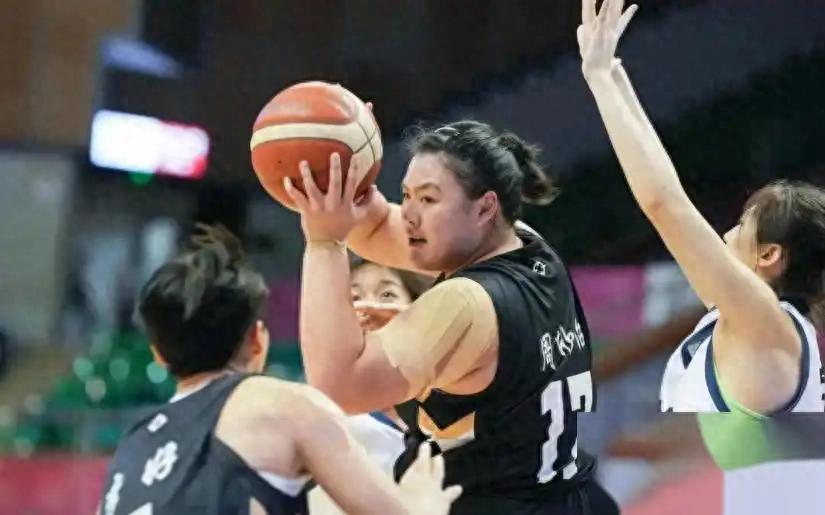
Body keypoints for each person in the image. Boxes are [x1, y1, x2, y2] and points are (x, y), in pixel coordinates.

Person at [284, 121, 619, 513]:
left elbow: (339, 388)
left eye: (428, 199)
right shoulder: (531, 247)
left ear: (485, 207)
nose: (409, 215)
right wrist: (346, 159)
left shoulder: (464, 302)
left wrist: (323, 242)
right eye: (406, 195)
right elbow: (376, 228)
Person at [577, 0, 825, 511]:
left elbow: (665, 204)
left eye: (741, 226)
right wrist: (614, 74)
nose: (724, 234)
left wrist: (600, 80)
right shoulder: (753, 328)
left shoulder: (765, 321)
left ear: (769, 255)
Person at [97, 225, 460, 515]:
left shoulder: (133, 445)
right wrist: (425, 503)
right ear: (258, 340)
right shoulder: (285, 405)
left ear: (158, 355)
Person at [310, 258, 432, 514]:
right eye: (354, 298)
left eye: (387, 295)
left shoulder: (452, 408)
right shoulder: (326, 421)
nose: (368, 309)